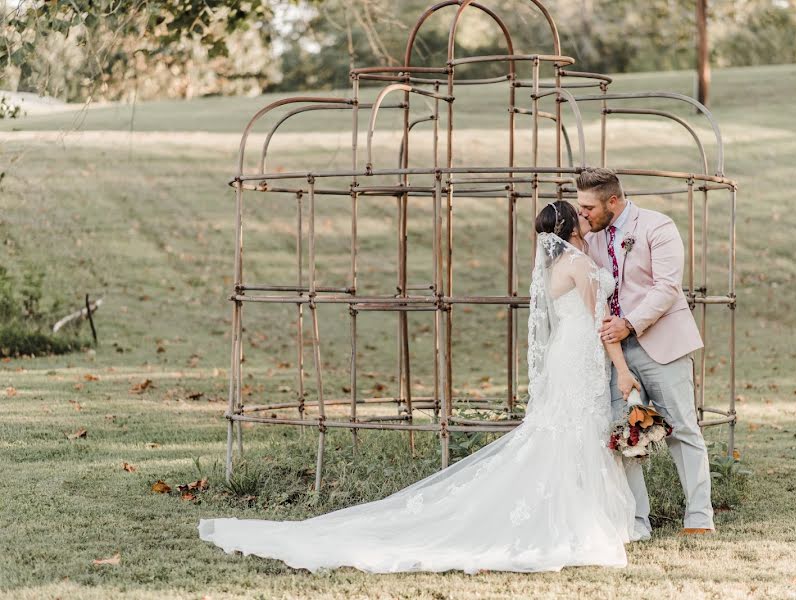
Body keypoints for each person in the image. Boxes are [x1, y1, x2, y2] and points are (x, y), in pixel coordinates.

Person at [198, 200, 640, 573]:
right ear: (570, 227)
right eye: (580, 215)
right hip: (581, 354)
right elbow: (602, 324)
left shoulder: (554, 267)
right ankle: (577, 521)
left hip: (570, 353)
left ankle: (580, 514)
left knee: (568, 431)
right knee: (573, 430)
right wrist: (621, 368)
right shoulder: (580, 264)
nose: (587, 218)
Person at [577, 167, 714, 539]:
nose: (583, 213)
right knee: (623, 435)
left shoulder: (657, 227)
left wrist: (630, 323)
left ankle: (699, 518)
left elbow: (667, 287)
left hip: (662, 345)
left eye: (588, 206)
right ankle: (637, 522)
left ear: (613, 201)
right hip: (615, 355)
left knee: (681, 429)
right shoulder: (589, 238)